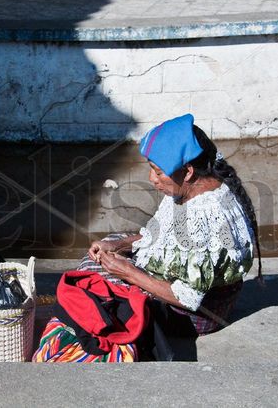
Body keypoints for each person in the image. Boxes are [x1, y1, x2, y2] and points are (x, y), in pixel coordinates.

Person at [81, 113, 261, 340]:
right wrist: (119, 244)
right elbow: (157, 234)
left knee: (91, 278)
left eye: (158, 171)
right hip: (195, 291)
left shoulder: (203, 216)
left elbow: (188, 297)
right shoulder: (194, 186)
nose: (152, 178)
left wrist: (128, 271)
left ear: (187, 172)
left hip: (193, 315)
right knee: (108, 245)